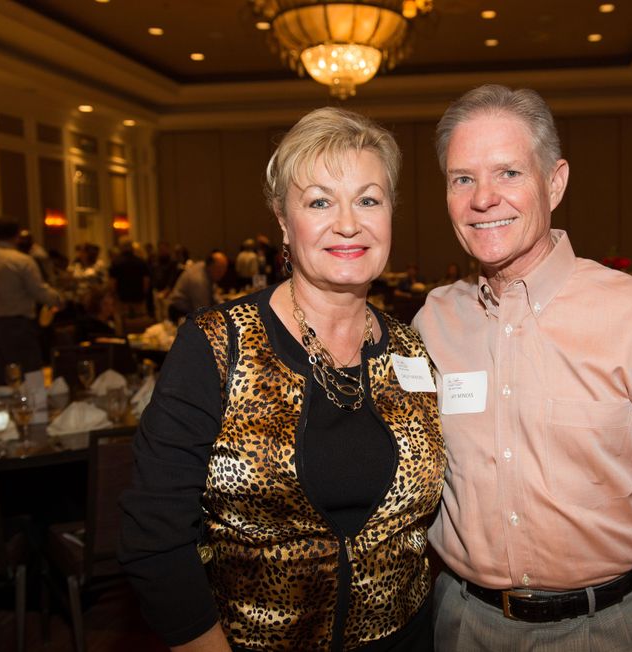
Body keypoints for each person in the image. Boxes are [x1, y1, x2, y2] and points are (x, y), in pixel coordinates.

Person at [412, 85, 632, 651]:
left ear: (555, 182)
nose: (483, 198)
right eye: (462, 178)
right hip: (460, 623)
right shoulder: (434, 323)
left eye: (509, 173)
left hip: (603, 630)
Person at [119, 106, 445, 651]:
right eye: (320, 201)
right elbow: (153, 538)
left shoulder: (413, 349)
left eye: (369, 199)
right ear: (282, 221)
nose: (349, 223)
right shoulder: (218, 345)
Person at [0, 217, 61, 384]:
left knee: (0, 375)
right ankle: (34, 408)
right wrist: (57, 299)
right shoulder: (21, 261)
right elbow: (39, 292)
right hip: (18, 326)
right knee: (30, 375)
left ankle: (5, 407)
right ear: (17, 236)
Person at [165, 250, 228, 322]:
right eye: (219, 269)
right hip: (180, 312)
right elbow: (202, 313)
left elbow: (215, 295)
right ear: (210, 266)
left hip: (193, 309)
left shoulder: (206, 269)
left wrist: (225, 309)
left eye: (224, 269)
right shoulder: (198, 280)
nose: (222, 273)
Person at [108, 237, 151, 317]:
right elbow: (146, 282)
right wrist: (144, 295)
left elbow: (113, 283)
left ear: (120, 247)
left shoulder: (116, 263)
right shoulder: (141, 262)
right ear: (131, 247)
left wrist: (114, 296)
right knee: (139, 322)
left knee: (123, 323)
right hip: (139, 299)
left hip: (122, 300)